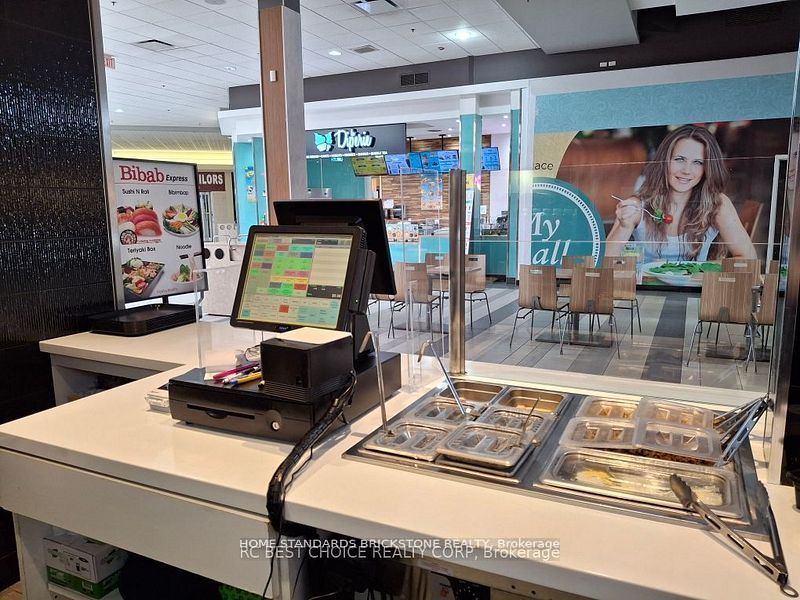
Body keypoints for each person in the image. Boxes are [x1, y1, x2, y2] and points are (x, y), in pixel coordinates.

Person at [606, 125, 757, 261]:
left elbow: (748, 259)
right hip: (645, 284)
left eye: (698, 162)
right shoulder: (639, 206)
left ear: (707, 168)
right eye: (679, 159)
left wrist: (712, 272)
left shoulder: (717, 205)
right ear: (665, 161)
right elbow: (604, 261)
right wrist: (623, 227)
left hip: (696, 284)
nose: (686, 170)